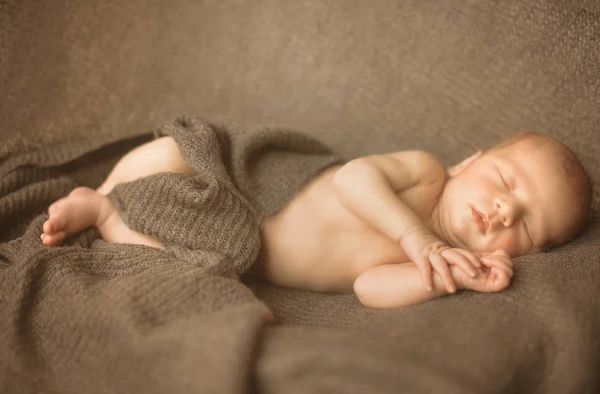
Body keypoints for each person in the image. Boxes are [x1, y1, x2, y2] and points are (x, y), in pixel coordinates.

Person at [39, 131, 593, 309]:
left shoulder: (429, 259)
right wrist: (415, 234)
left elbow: (367, 287)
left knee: (168, 262)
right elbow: (354, 180)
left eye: (526, 225)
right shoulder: (425, 176)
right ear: (471, 161)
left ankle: (104, 209)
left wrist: (452, 276)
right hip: (247, 185)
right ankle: (113, 184)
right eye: (504, 181)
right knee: (173, 152)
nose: (504, 210)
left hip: (235, 246)